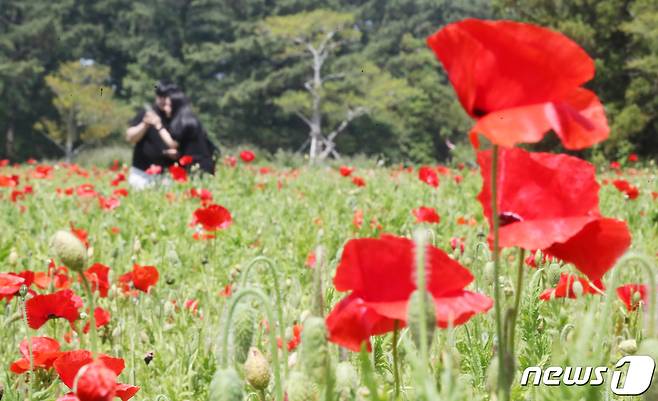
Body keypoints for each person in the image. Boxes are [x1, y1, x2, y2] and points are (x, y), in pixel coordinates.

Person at [125, 82, 180, 188]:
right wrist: (144, 124)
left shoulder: (177, 117)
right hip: (141, 173)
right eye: (159, 96)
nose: (161, 100)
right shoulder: (147, 113)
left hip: (167, 174)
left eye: (165, 97)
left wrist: (177, 153)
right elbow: (130, 137)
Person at [167, 89, 218, 175]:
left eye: (168, 105)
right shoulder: (191, 120)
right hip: (204, 164)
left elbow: (172, 143)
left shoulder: (182, 124)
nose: (165, 108)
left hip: (195, 166)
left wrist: (158, 126)